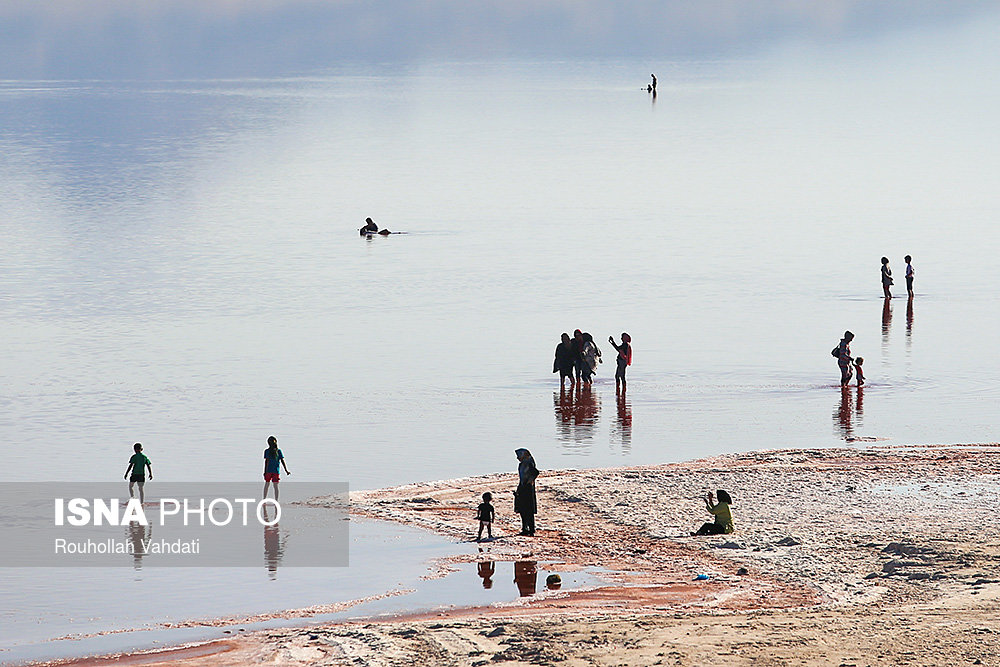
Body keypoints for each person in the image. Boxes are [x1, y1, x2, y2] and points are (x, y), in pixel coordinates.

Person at [513, 448, 539, 536]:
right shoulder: (522, 464)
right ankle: (525, 528)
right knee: (522, 509)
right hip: (522, 486)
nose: (517, 458)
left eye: (518, 456)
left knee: (528, 510)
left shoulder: (529, 463)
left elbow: (535, 473)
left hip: (528, 488)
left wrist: (530, 481)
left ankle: (531, 529)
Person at [263, 435, 290, 501]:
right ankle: (276, 500)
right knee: (276, 486)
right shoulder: (279, 451)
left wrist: (265, 472)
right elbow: (282, 461)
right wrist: (286, 470)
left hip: (268, 471)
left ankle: (264, 499)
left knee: (267, 484)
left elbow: (266, 462)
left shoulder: (267, 451)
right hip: (276, 471)